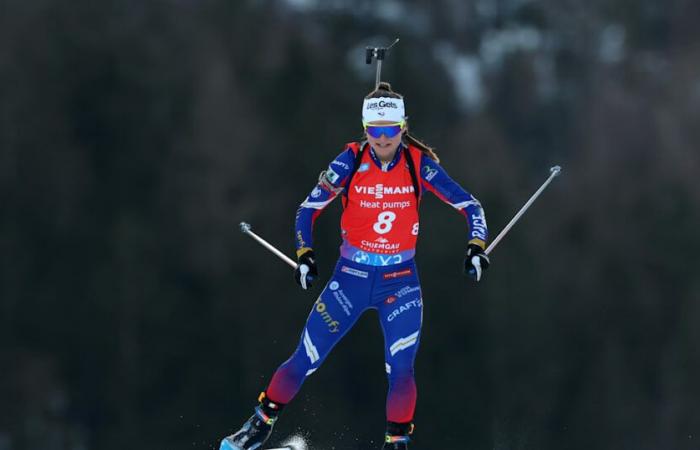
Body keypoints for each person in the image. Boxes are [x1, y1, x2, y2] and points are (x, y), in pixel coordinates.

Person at [220, 82, 490, 450]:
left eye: (390, 131)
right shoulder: (348, 161)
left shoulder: (417, 165)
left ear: (403, 128)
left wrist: (476, 246)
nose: (382, 139)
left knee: (401, 369)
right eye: (375, 131)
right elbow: (307, 210)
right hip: (351, 279)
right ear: (365, 130)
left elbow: (471, 206)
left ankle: (396, 443)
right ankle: (258, 426)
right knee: (305, 358)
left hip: (400, 283)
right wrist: (305, 255)